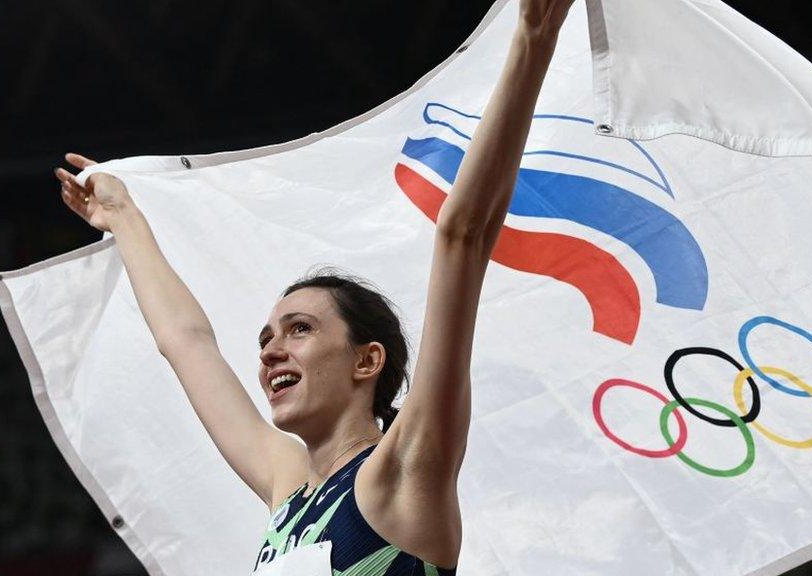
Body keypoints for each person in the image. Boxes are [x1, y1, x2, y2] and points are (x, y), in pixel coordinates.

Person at [54, 1, 573, 573]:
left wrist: (533, 39)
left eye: (300, 329)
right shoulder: (288, 488)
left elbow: (463, 236)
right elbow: (186, 343)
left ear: (366, 359)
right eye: (266, 337)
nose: (271, 349)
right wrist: (124, 218)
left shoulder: (403, 472)